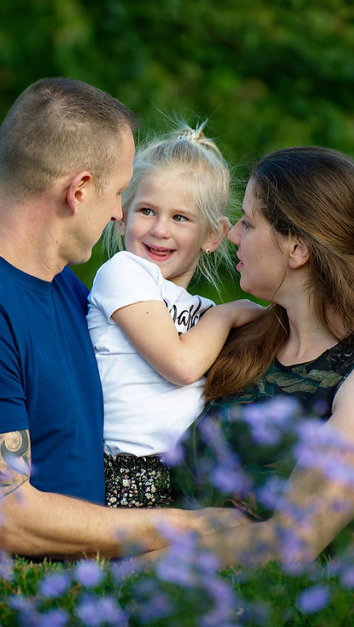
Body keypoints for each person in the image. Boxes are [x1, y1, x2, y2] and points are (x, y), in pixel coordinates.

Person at [0, 78, 245, 560]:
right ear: (80, 191)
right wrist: (191, 527)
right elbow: (9, 518)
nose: (117, 215)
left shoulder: (63, 287)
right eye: (121, 193)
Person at [174, 146, 354, 564]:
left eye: (249, 223)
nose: (233, 235)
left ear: (297, 250)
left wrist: (121, 573)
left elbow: (293, 541)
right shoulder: (245, 341)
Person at [86, 124, 265, 508]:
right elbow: (181, 364)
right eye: (147, 211)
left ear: (213, 235)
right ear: (122, 215)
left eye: (180, 218)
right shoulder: (122, 273)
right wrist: (228, 314)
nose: (159, 229)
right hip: (128, 472)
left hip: (188, 472)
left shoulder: (200, 310)